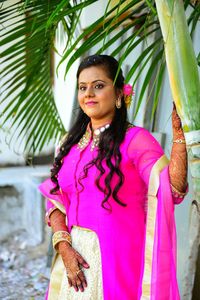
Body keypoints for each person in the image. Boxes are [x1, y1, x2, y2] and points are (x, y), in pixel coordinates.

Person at [38, 54, 188, 300]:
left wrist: (179, 139)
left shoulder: (136, 140)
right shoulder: (69, 143)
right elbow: (55, 199)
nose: (89, 94)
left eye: (98, 86)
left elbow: (172, 189)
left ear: (119, 93)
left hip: (119, 262)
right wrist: (63, 246)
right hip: (75, 264)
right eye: (83, 88)